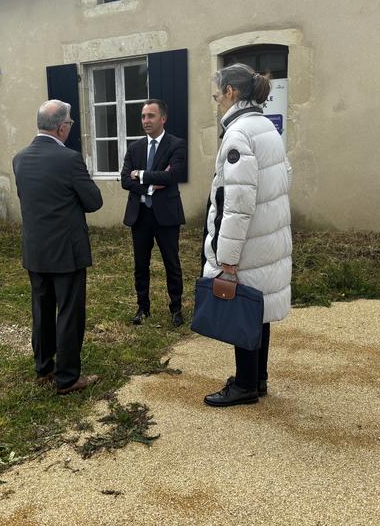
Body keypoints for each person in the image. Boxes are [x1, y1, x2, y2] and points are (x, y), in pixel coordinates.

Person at [202, 64, 293, 407]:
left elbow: (235, 204)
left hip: (248, 241)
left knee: (242, 306)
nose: (217, 102)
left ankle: (244, 385)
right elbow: (284, 179)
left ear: (231, 93)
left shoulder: (238, 133)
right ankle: (258, 378)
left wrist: (227, 258)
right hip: (266, 235)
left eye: (217, 95)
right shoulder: (266, 127)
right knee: (259, 308)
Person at [13, 100, 103, 394]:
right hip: (67, 250)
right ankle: (68, 378)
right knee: (68, 312)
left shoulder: (20, 158)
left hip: (36, 249)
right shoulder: (69, 159)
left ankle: (44, 368)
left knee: (41, 309)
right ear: (62, 127)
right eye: (70, 124)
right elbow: (93, 201)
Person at [120, 99, 187, 327]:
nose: (146, 121)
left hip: (166, 214)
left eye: (151, 116)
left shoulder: (176, 145)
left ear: (163, 118)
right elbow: (124, 180)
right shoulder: (134, 147)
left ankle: (176, 308)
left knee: (172, 263)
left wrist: (140, 174)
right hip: (140, 215)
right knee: (141, 264)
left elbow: (173, 176)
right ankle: (142, 307)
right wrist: (149, 183)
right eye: (143, 116)